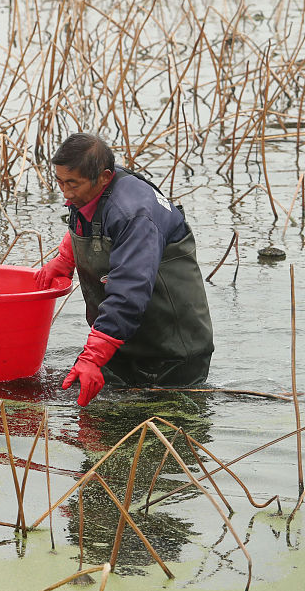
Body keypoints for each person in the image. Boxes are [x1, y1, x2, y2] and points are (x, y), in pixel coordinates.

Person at [34, 134, 213, 406]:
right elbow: (87, 219)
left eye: (72, 184)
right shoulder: (90, 192)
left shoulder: (134, 214)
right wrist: (65, 259)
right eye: (60, 182)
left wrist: (92, 357)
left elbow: (129, 293)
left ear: (104, 177)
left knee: (163, 431)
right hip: (123, 342)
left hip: (172, 353)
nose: (66, 194)